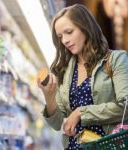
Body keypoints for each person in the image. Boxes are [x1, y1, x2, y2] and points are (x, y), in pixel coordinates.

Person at [37, 4, 128, 150]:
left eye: (69, 32)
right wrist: (48, 96)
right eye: (60, 36)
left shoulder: (116, 60)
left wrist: (81, 112)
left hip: (108, 146)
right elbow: (57, 123)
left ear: (85, 28)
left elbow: (125, 105)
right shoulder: (65, 70)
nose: (64, 41)